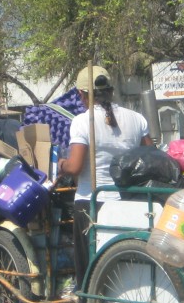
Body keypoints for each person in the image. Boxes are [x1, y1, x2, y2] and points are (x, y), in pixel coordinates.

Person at [58, 66, 153, 284]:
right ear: (111, 91)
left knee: (90, 272)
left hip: (93, 205)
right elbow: (151, 158)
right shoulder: (137, 119)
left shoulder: (82, 121)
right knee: (126, 270)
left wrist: (61, 164)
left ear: (82, 95)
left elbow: (74, 168)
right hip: (128, 203)